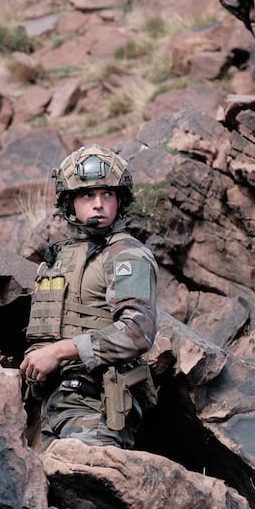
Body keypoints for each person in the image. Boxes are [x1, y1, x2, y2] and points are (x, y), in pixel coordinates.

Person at [19, 145, 158, 450]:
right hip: (47, 408)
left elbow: (137, 331)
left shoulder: (128, 254)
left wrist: (57, 352)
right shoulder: (60, 256)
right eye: (87, 195)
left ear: (119, 200)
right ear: (70, 202)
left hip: (96, 409)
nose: (98, 204)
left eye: (107, 194)